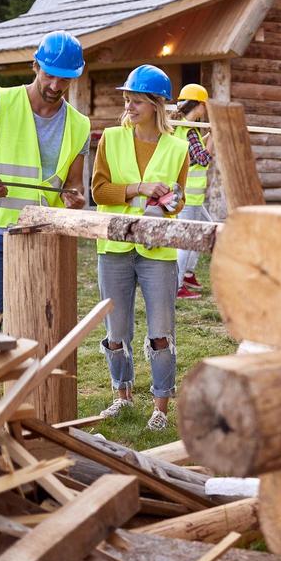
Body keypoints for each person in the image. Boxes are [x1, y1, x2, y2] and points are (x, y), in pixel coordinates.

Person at [0, 30, 89, 316]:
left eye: (64, 79)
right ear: (35, 67)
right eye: (49, 75)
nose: (55, 85)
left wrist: (76, 197)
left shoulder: (80, 125)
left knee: (34, 319)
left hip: (43, 235)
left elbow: (75, 183)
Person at [92, 64, 189, 432]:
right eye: (127, 99)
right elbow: (99, 191)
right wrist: (138, 188)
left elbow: (178, 200)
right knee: (115, 331)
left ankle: (161, 405)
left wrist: (166, 199)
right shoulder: (111, 139)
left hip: (158, 252)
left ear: (155, 104)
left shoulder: (179, 148)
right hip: (114, 245)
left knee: (161, 332)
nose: (128, 106)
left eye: (136, 101)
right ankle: (122, 395)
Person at [172, 83, 214, 300]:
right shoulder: (189, 131)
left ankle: (187, 274)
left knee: (208, 228)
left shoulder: (182, 126)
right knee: (187, 240)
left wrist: (206, 137)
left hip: (188, 194)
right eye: (204, 105)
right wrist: (215, 136)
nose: (205, 110)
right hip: (190, 196)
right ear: (197, 105)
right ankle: (177, 286)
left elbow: (195, 149)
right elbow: (203, 158)